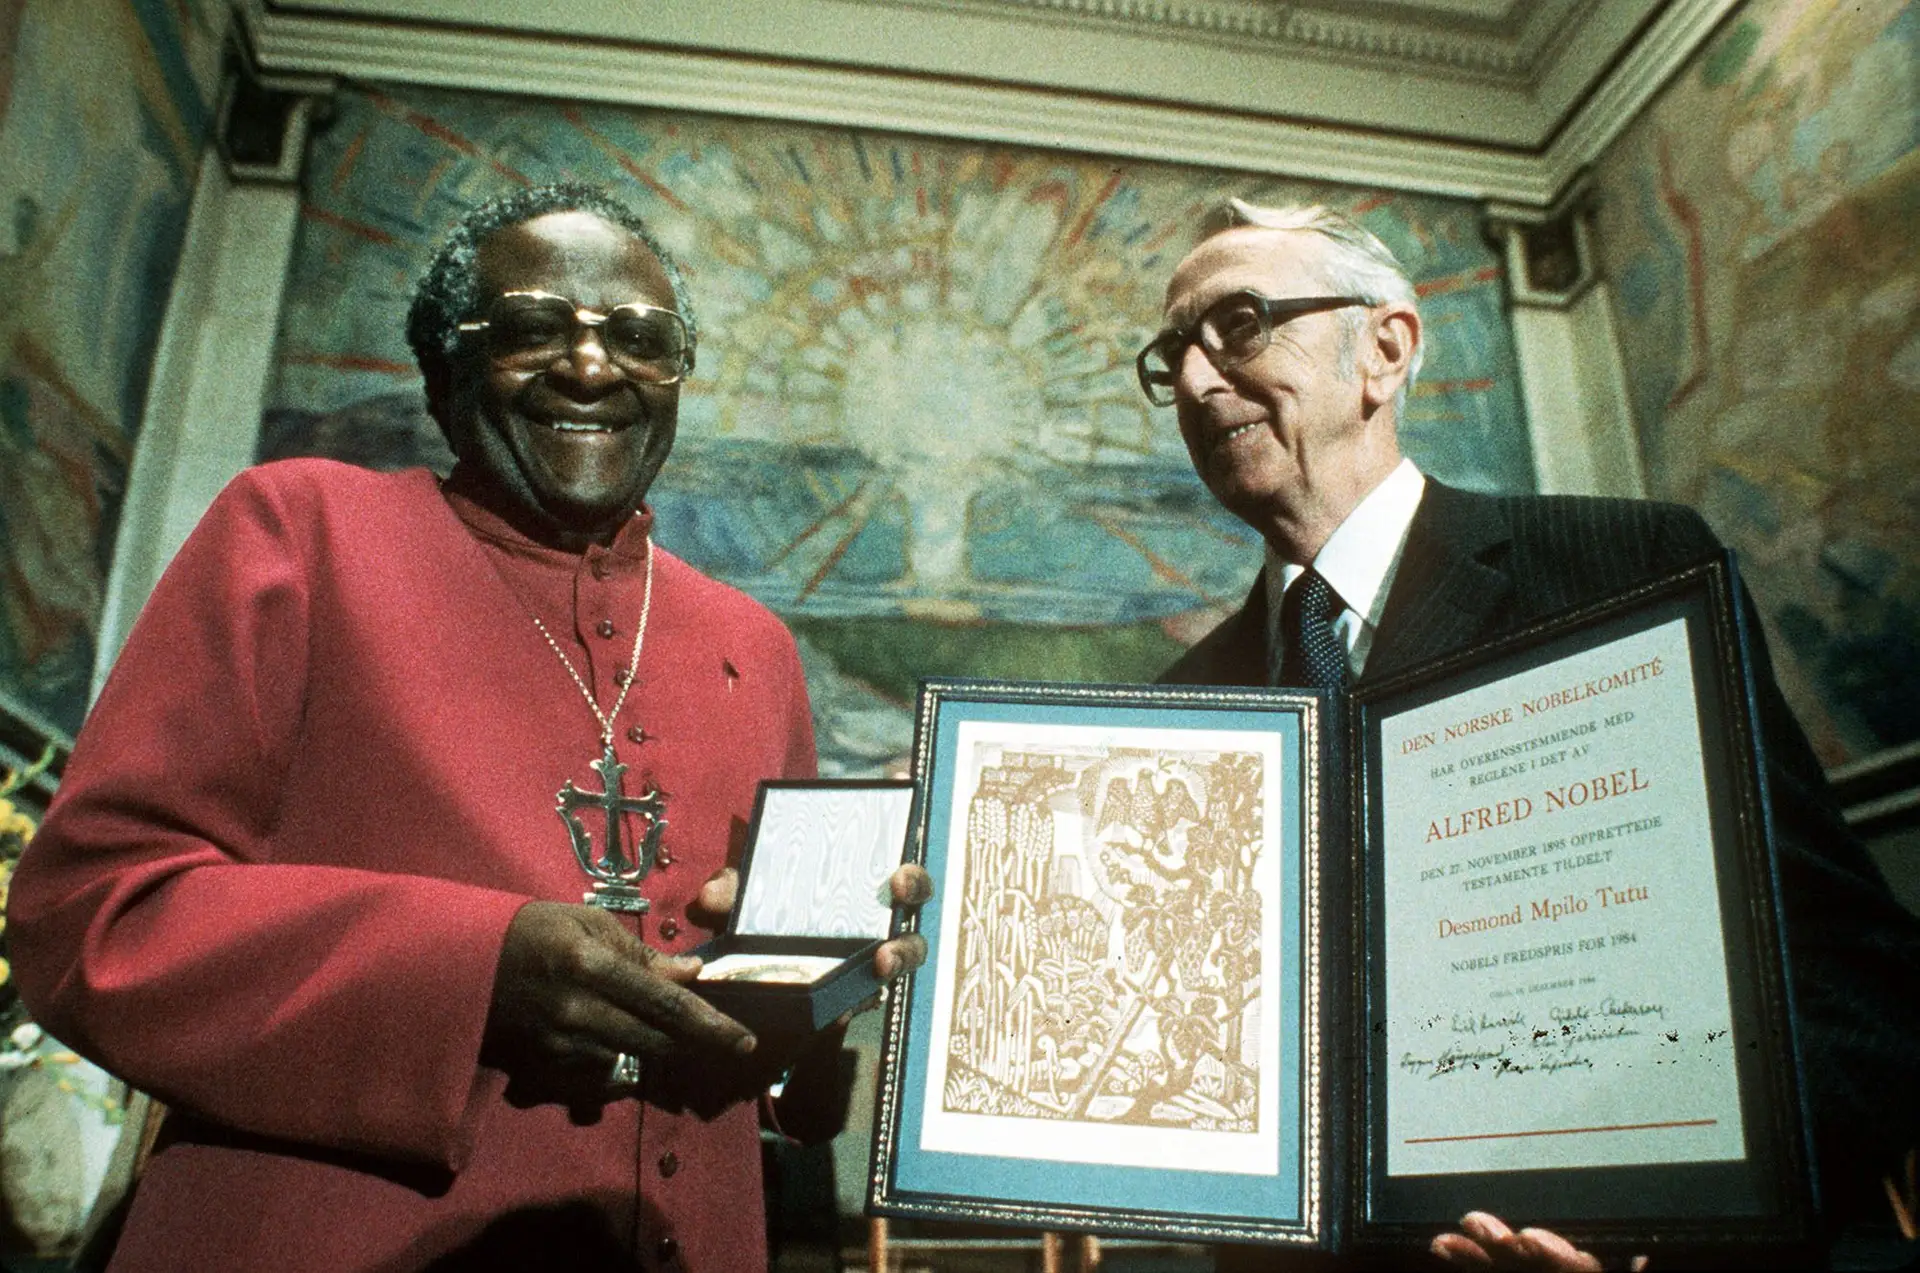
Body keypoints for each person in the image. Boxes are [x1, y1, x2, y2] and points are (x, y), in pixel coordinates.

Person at [9, 182, 930, 1273]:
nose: (591, 366)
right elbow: (94, 911)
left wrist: (815, 1001)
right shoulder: (302, 532)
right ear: (445, 373)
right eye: (534, 327)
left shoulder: (756, 647)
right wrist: (475, 972)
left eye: (639, 338)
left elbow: (777, 1080)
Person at [1144, 198, 1920, 1268]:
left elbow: (1852, 978)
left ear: (1384, 349)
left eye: (1238, 325)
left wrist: (1668, 1236)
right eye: (1172, 356)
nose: (1195, 380)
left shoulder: (1626, 570)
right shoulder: (1183, 709)